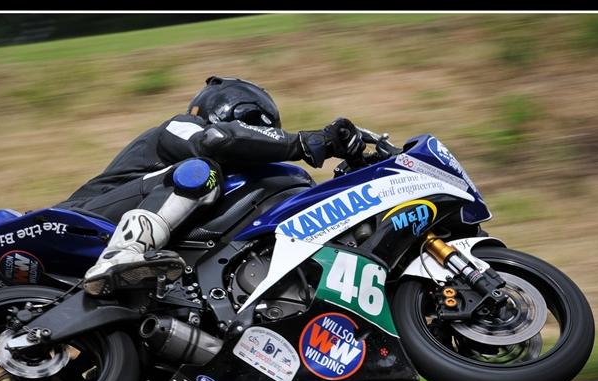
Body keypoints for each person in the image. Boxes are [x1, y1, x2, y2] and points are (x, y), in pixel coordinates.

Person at [56, 76, 366, 296]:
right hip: (80, 219)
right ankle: (124, 254)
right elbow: (218, 140)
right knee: (201, 172)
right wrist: (306, 142)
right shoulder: (182, 127)